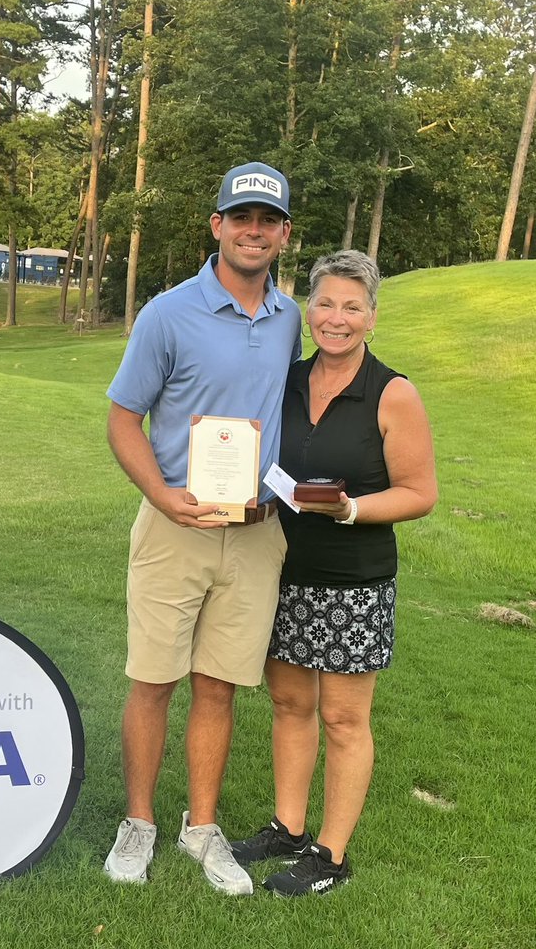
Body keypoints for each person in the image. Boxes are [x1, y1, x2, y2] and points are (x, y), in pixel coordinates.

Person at [103, 162, 301, 893]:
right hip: (174, 527)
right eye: (241, 217)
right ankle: (138, 823)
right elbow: (123, 418)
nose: (254, 231)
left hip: (256, 531)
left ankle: (201, 829)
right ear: (217, 225)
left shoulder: (289, 318)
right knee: (153, 680)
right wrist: (160, 495)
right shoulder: (167, 313)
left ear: (283, 233)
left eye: (268, 220)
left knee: (218, 686)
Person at [230, 250, 438, 897]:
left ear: (371, 316)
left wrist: (351, 509)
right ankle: (288, 829)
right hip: (283, 570)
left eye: (352, 306)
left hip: (354, 583)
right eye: (324, 303)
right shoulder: (287, 381)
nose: (336, 318)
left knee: (344, 721)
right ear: (307, 309)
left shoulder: (392, 393)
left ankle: (331, 855)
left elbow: (420, 492)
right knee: (290, 705)